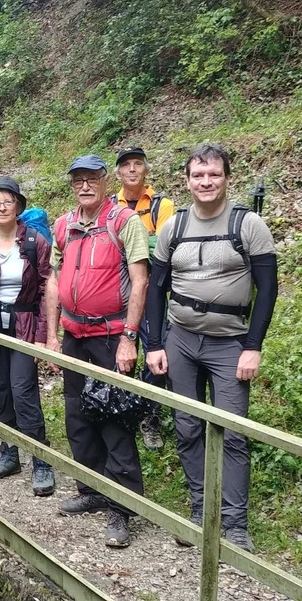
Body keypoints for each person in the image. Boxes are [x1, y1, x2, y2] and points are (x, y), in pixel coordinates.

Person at [145, 143, 277, 554]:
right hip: (180, 339)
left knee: (233, 432)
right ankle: (201, 511)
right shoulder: (174, 227)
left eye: (214, 175)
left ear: (226, 178)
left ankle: (234, 525)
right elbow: (155, 288)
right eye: (198, 176)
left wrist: (253, 347)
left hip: (229, 343)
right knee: (186, 427)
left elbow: (268, 288)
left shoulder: (248, 224)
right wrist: (154, 343)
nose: (206, 182)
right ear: (187, 180)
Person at [44, 154, 149, 548]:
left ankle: (123, 507)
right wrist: (51, 336)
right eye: (78, 181)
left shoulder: (125, 222)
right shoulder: (63, 225)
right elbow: (53, 281)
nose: (85, 186)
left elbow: (140, 282)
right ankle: (90, 489)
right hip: (73, 334)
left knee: (115, 417)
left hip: (110, 335)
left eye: (92, 179)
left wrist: (129, 337)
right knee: (77, 414)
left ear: (106, 181)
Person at [0, 176, 55, 497]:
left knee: (23, 390)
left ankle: (41, 459)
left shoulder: (35, 242)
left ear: (18, 205)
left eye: (8, 201)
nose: (2, 207)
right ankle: (9, 451)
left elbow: (46, 289)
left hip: (25, 324)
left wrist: (44, 336)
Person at [112, 146, 177, 450]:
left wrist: (132, 243)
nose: (133, 170)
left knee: (155, 354)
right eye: (127, 166)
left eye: (138, 164)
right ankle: (119, 410)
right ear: (118, 173)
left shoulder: (162, 205)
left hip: (154, 293)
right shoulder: (111, 204)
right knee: (118, 352)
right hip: (119, 291)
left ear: (146, 170)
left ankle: (149, 418)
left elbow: (163, 247)